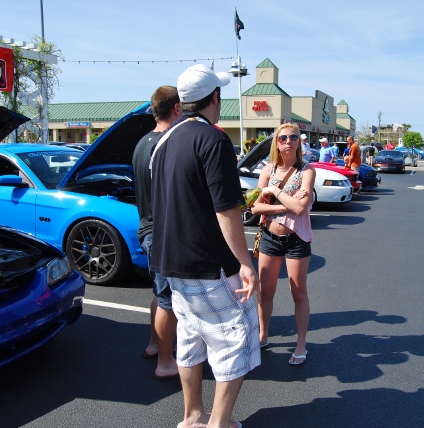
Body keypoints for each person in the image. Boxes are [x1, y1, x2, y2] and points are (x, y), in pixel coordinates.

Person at [149, 64, 260, 428]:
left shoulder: (163, 141)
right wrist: (245, 263)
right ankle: (219, 423)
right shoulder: (213, 140)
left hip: (170, 263)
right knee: (236, 338)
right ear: (215, 97)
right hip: (209, 264)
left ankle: (193, 416)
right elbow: (226, 210)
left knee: (191, 337)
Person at [250, 123, 315, 365]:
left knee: (298, 292)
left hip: (296, 239)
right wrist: (285, 204)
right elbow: (255, 207)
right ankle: (263, 335)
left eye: (293, 137)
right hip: (270, 237)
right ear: (276, 143)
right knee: (265, 291)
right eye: (283, 138)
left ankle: (301, 344)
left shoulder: (306, 171)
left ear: (299, 142)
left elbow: (300, 208)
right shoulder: (268, 169)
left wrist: (274, 192)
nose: (288, 141)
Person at [132, 85, 180, 380]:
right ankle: (165, 362)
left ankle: (153, 345)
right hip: (162, 234)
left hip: (148, 229)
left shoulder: (142, 143)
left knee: (159, 293)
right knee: (168, 300)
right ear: (176, 108)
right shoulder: (166, 144)